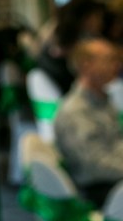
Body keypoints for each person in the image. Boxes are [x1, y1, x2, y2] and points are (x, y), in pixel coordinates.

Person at [53, 37, 123, 207]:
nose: (117, 65)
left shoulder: (102, 101)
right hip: (102, 191)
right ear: (86, 66)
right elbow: (95, 167)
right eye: (109, 60)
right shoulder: (76, 111)